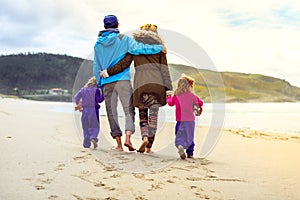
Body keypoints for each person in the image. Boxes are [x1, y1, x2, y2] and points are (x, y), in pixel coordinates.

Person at [94, 15, 165, 151]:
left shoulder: (98, 45)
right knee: (128, 110)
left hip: (107, 82)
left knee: (111, 112)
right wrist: (158, 48)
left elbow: (96, 66)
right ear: (118, 25)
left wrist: (99, 82)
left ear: (104, 27)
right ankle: (128, 137)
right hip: (123, 80)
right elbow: (140, 48)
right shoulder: (124, 40)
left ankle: (119, 144)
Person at [166, 74, 203, 159]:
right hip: (190, 122)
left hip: (180, 121)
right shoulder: (192, 96)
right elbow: (201, 103)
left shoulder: (176, 95)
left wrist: (168, 97)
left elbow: (170, 103)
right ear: (189, 86)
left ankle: (180, 145)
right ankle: (190, 153)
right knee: (189, 137)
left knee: (180, 135)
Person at [74, 76, 104, 149]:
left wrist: (78, 105)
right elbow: (99, 100)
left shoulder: (83, 89)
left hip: (85, 110)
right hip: (94, 110)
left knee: (85, 127)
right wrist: (103, 94)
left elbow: (76, 97)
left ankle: (86, 143)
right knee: (94, 126)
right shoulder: (96, 90)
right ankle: (93, 137)